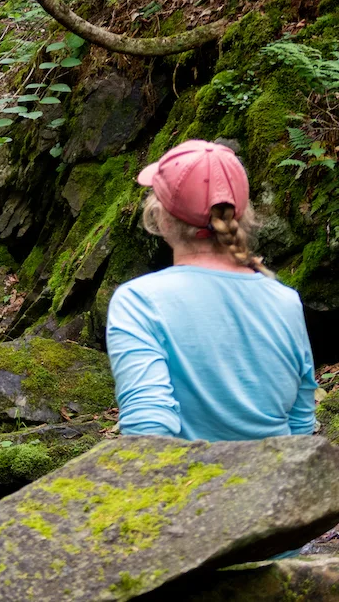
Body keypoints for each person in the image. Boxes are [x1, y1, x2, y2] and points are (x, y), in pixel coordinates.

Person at [106, 140, 317, 442]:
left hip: (187, 487)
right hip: (277, 484)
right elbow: (301, 427)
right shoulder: (285, 300)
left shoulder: (138, 301)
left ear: (162, 218)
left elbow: (148, 432)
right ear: (241, 215)